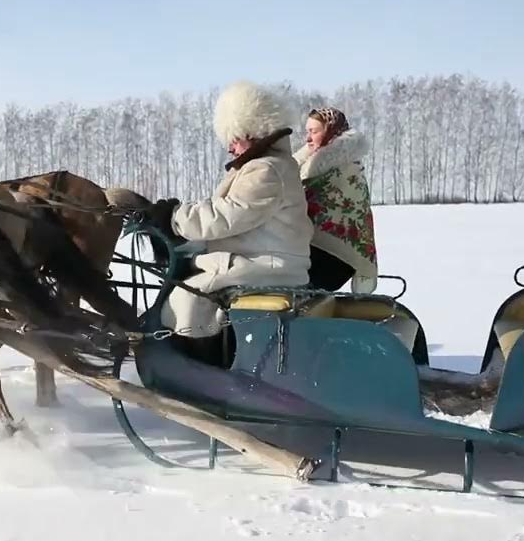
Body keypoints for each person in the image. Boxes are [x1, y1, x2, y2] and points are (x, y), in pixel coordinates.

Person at [143, 81, 314, 363]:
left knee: (186, 299)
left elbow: (228, 215)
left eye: (233, 138)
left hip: (267, 267)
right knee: (186, 279)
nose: (231, 148)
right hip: (260, 261)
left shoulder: (267, 170)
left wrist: (174, 218)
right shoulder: (267, 166)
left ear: (253, 131)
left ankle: (202, 372)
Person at [293, 106, 378, 294]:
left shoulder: (346, 170)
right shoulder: (310, 166)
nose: (308, 138)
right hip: (312, 252)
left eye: (314, 132)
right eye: (307, 132)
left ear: (331, 131)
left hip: (335, 259)